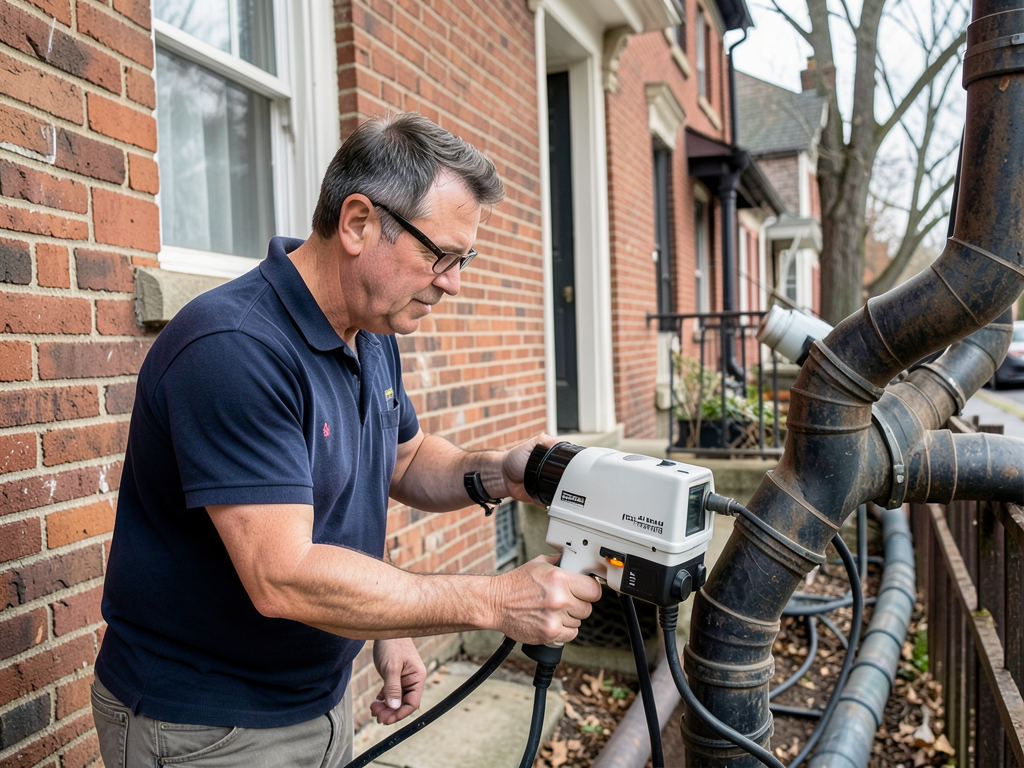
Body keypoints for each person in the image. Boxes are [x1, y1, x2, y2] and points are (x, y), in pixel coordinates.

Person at [91, 112, 603, 767]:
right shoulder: (234, 348)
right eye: (439, 255)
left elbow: (403, 460)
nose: (452, 281)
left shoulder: (371, 332)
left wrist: (502, 472)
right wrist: (491, 601)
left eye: (463, 260)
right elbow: (282, 576)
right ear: (358, 223)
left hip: (319, 699)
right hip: (206, 726)